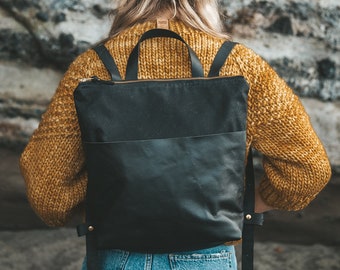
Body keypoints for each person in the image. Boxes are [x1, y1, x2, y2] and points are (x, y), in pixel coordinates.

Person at [20, 0, 332, 269]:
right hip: (208, 257)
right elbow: (307, 172)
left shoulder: (93, 67)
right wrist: (238, 208)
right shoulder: (240, 66)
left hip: (117, 256)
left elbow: (48, 194)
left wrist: (117, 202)